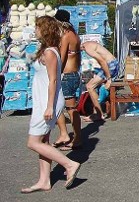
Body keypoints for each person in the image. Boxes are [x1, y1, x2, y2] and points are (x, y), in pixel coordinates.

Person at [21, 16, 81, 193]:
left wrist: (49, 106)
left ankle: (69, 164)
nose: (35, 30)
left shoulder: (50, 52)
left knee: (33, 142)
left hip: (48, 101)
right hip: (44, 99)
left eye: (37, 27)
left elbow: (54, 80)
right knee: (44, 140)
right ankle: (44, 180)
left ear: (45, 29)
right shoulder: (47, 50)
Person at [52, 10, 83, 151]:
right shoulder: (75, 35)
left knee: (67, 108)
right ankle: (70, 135)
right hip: (75, 73)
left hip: (67, 75)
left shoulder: (65, 36)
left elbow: (62, 58)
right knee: (69, 108)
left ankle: (72, 136)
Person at [82, 40, 120, 121]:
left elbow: (102, 61)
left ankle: (99, 114)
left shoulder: (87, 48)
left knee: (89, 86)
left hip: (110, 65)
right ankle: (97, 112)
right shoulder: (88, 44)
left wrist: (109, 78)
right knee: (92, 85)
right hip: (112, 63)